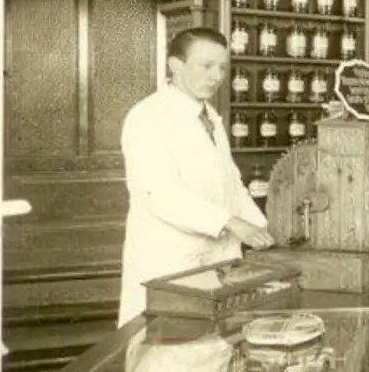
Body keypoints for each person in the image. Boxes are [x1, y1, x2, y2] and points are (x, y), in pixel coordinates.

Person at [116, 28, 272, 326]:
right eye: (206, 66)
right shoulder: (148, 117)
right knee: (169, 355)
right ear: (175, 65)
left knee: (211, 353)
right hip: (170, 260)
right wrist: (230, 222)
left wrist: (262, 226)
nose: (216, 76)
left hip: (216, 259)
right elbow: (160, 195)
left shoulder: (209, 115)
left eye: (222, 67)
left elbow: (231, 183)